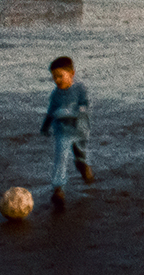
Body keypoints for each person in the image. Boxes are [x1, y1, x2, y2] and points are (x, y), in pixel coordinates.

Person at [40, 56, 94, 211]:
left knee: (80, 151)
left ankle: (82, 164)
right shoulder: (55, 95)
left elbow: (85, 104)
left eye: (60, 75)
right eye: (54, 77)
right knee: (61, 158)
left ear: (72, 73)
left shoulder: (80, 89)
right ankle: (58, 190)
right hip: (62, 131)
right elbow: (50, 112)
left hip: (80, 129)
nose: (57, 80)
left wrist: (76, 112)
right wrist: (45, 126)